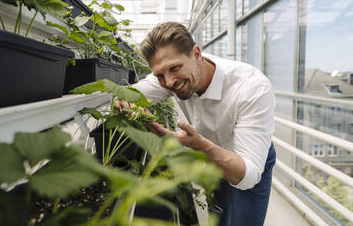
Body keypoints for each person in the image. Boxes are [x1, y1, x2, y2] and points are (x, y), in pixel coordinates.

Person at [118, 22, 276, 226]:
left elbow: (249, 175)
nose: (168, 82)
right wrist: (122, 101)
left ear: (197, 54)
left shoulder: (251, 88)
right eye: (159, 75)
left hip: (248, 160)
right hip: (212, 155)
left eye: (174, 68)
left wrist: (200, 145)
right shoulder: (172, 76)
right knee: (219, 215)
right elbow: (132, 93)